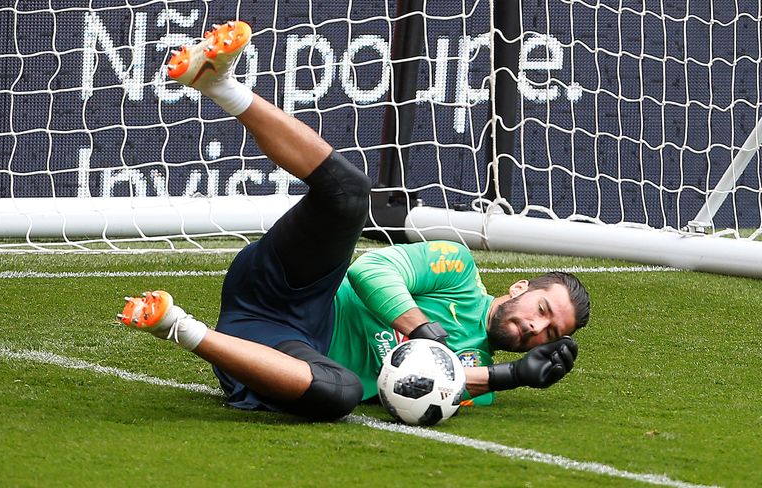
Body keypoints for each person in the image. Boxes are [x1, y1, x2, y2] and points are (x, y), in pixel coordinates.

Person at [119, 21, 590, 421]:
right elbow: (370, 270)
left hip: (278, 354)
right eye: (543, 311)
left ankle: (175, 325)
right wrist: (421, 328)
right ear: (520, 288)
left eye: (549, 334)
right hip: (299, 286)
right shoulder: (458, 267)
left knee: (341, 394)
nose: (534, 329)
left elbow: (418, 387)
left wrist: (509, 378)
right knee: (350, 193)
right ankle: (220, 84)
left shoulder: (478, 377)